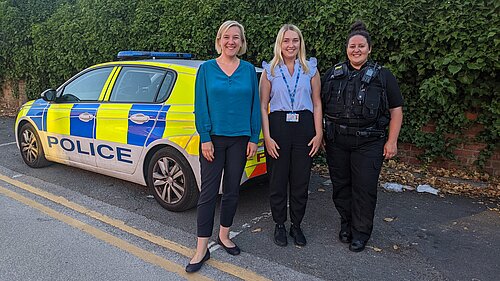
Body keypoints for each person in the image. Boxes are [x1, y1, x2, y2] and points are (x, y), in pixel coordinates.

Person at [321, 21, 404, 252]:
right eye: (352, 46)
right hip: (337, 142)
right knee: (341, 187)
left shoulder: (383, 76)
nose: (356, 50)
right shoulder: (333, 74)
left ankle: (361, 232)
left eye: (361, 46)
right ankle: (346, 225)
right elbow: (319, 105)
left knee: (364, 189)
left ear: (369, 49)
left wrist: (392, 140)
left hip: (369, 143)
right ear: (346, 49)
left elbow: (396, 110)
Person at [186, 20, 260, 273]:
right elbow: (201, 105)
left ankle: (225, 235)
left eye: (236, 37)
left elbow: (255, 106)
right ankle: (201, 248)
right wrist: (205, 137)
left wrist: (253, 138)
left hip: (240, 139)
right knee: (208, 193)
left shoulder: (249, 69)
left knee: (232, 190)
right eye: (226, 37)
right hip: (213, 140)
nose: (231, 41)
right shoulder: (206, 69)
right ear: (219, 40)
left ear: (241, 42)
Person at [260, 24, 322, 247]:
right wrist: (267, 136)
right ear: (280, 43)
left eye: (295, 41)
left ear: (300, 43)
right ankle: (279, 225)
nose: (291, 45)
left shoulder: (310, 70)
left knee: (300, 180)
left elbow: (316, 103)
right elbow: (263, 105)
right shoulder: (270, 71)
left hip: (304, 128)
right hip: (278, 127)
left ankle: (296, 225)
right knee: (277, 180)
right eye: (286, 41)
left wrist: (319, 133)